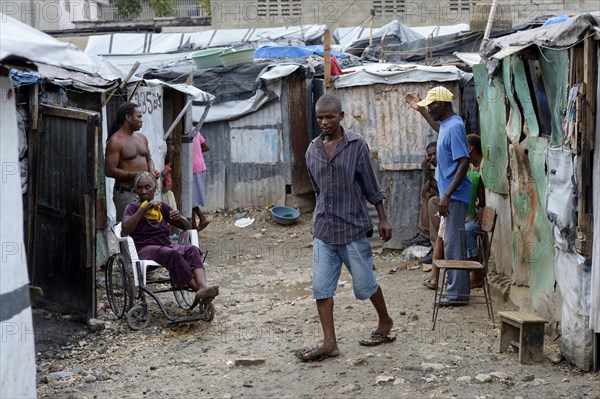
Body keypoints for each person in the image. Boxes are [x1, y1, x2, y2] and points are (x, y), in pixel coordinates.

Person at [295, 94, 394, 362]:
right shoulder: (312, 150)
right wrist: (316, 218)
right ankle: (330, 343)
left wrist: (382, 218)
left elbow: (371, 186)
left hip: (352, 228)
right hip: (324, 231)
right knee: (321, 288)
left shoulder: (356, 145)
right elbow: (317, 191)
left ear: (341, 116)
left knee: (364, 286)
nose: (324, 122)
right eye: (320, 117)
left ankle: (385, 321)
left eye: (330, 116)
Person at [121, 172, 219, 309]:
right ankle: (199, 290)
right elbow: (126, 228)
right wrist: (142, 210)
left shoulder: (161, 206)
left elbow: (186, 226)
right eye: (140, 188)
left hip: (164, 245)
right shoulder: (133, 207)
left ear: (155, 188)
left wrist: (179, 217)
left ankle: (203, 286)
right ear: (136, 190)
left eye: (147, 187)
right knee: (172, 254)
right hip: (145, 249)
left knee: (192, 249)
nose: (143, 191)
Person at [415, 87, 471, 304]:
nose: (429, 109)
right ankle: (456, 289)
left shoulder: (456, 127)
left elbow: (464, 162)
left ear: (442, 105)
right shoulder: (448, 125)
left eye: (431, 105)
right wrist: (420, 110)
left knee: (454, 243)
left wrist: (446, 195)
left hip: (455, 195)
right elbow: (438, 126)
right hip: (452, 194)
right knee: (450, 242)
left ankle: (457, 293)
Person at [423, 134, 485, 290]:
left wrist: (481, 209)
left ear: (468, 149)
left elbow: (478, 195)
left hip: (459, 208)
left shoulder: (468, 169)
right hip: (457, 207)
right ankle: (443, 278)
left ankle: (454, 281)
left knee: (447, 239)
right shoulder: (462, 167)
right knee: (443, 238)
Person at [105, 102, 161, 221]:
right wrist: (136, 175)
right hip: (126, 193)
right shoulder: (115, 141)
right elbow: (109, 171)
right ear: (128, 117)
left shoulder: (141, 138)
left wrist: (151, 171)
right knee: (128, 231)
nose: (141, 120)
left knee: (147, 228)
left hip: (146, 194)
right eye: (139, 116)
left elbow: (149, 159)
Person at [401, 141, 440, 265]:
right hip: (447, 198)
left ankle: (435, 250)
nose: (432, 157)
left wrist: (428, 175)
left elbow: (441, 190)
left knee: (433, 201)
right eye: (430, 155)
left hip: (456, 202)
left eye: (435, 153)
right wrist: (428, 184)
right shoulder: (438, 167)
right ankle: (424, 235)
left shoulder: (446, 164)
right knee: (429, 197)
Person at [191, 133, 210, 231]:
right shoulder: (196, 131)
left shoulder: (185, 133)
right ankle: (199, 222)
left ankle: (195, 227)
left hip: (193, 168)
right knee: (191, 199)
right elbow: (206, 147)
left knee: (190, 200)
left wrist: (192, 155)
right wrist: (197, 153)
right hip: (201, 166)